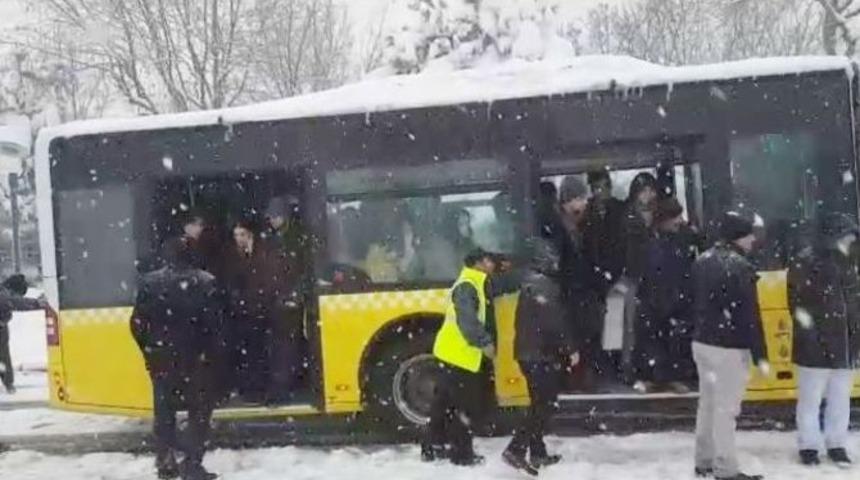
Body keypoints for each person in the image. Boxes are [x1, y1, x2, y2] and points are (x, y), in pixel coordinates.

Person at [130, 241, 225, 480]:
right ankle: (192, 464)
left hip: (161, 360)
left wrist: (149, 351)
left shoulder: (149, 283)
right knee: (198, 413)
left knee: (164, 412)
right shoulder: (206, 282)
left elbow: (136, 324)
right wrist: (210, 355)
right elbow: (216, 326)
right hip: (195, 360)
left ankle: (165, 462)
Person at [423, 249, 519, 466]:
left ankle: (432, 446)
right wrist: (484, 342)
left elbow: (501, 287)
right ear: (478, 263)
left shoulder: (478, 281)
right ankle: (461, 455)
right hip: (461, 356)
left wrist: (512, 273)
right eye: (487, 261)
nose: (491, 264)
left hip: (450, 353)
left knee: (443, 404)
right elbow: (467, 320)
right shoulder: (468, 285)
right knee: (463, 408)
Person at [692, 211, 769, 480]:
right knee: (726, 411)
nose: (753, 241)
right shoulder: (740, 267)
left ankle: (703, 460)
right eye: (749, 235)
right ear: (739, 236)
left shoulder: (702, 260)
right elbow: (750, 315)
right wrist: (761, 355)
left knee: (708, 404)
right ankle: (725, 470)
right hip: (729, 347)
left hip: (702, 342)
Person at [788, 212, 860, 468]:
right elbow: (797, 306)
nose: (852, 240)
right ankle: (809, 446)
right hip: (816, 345)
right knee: (811, 399)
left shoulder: (850, 261)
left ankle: (836, 443)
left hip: (846, 344)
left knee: (840, 399)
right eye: (848, 235)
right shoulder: (807, 262)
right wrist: (811, 335)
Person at [502, 238, 578, 476]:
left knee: (538, 402)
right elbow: (554, 323)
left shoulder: (528, 283)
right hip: (540, 355)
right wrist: (570, 349)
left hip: (527, 353)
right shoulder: (544, 286)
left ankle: (537, 452)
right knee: (544, 405)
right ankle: (515, 449)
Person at [633, 198, 696, 394]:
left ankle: (663, 377)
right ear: (664, 220)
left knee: (666, 342)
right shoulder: (654, 243)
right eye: (675, 217)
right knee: (657, 341)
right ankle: (657, 378)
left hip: (668, 301)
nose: (680, 221)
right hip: (659, 302)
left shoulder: (676, 239)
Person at [557, 176, 607, 389]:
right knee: (581, 341)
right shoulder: (561, 228)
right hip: (575, 296)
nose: (585, 203)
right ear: (569, 201)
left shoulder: (580, 224)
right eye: (581, 198)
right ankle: (580, 381)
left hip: (583, 294)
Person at [220, 220, 276, 402]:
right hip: (243, 312)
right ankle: (249, 388)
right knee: (248, 352)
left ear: (250, 236)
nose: (238, 239)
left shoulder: (260, 253)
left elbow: (263, 278)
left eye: (242, 235)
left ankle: (257, 389)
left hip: (258, 310)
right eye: (236, 235)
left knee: (257, 351)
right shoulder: (234, 256)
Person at [262, 197, 311, 403]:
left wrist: (295, 294)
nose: (272, 221)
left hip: (289, 300)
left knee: (287, 346)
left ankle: (285, 386)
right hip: (279, 299)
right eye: (271, 217)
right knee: (284, 346)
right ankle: (286, 384)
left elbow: (304, 270)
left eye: (276, 216)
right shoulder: (276, 239)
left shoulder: (294, 239)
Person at [0, 275, 48, 394]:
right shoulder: (2, 295)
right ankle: (8, 384)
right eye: (19, 294)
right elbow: (14, 302)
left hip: (1, 327)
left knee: (4, 357)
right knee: (3, 357)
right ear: (12, 290)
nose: (20, 297)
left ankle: (8, 383)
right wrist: (37, 303)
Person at [582, 168, 626, 293]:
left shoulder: (622, 211)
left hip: (619, 275)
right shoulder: (586, 213)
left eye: (602, 187)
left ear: (610, 187)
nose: (599, 192)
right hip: (593, 279)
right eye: (595, 188)